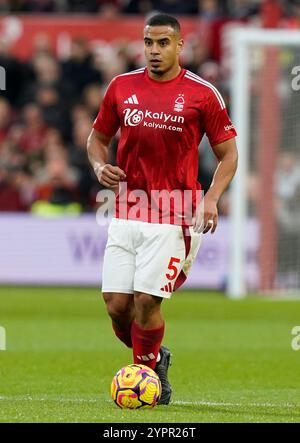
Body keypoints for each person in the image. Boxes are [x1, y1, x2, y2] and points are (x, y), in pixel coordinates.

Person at [87, 14, 238, 405]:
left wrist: (211, 198)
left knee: (146, 301)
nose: (155, 51)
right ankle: (155, 356)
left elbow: (229, 154)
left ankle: (148, 379)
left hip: (176, 213)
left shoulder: (203, 94)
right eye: (149, 43)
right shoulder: (122, 87)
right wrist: (99, 166)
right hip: (126, 207)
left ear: (180, 45)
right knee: (117, 307)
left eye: (163, 43)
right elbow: (97, 138)